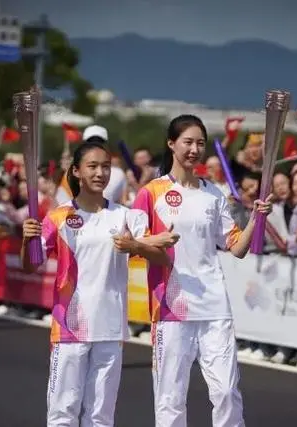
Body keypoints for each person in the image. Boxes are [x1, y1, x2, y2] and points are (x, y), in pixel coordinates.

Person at [21, 141, 176, 427]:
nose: (100, 173)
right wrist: (27, 240)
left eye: (106, 167)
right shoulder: (59, 216)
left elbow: (163, 258)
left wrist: (135, 244)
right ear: (77, 171)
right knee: (62, 412)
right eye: (92, 166)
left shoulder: (126, 216)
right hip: (69, 327)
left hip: (110, 327)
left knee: (101, 416)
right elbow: (31, 264)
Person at [133, 115, 273, 427]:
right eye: (188, 142)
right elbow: (133, 243)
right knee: (171, 396)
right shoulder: (150, 193)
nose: (195, 149)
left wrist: (256, 218)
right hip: (171, 307)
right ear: (171, 144)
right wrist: (157, 243)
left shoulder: (214, 194)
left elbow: (236, 248)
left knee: (226, 391)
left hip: (213, 305)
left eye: (200, 143)